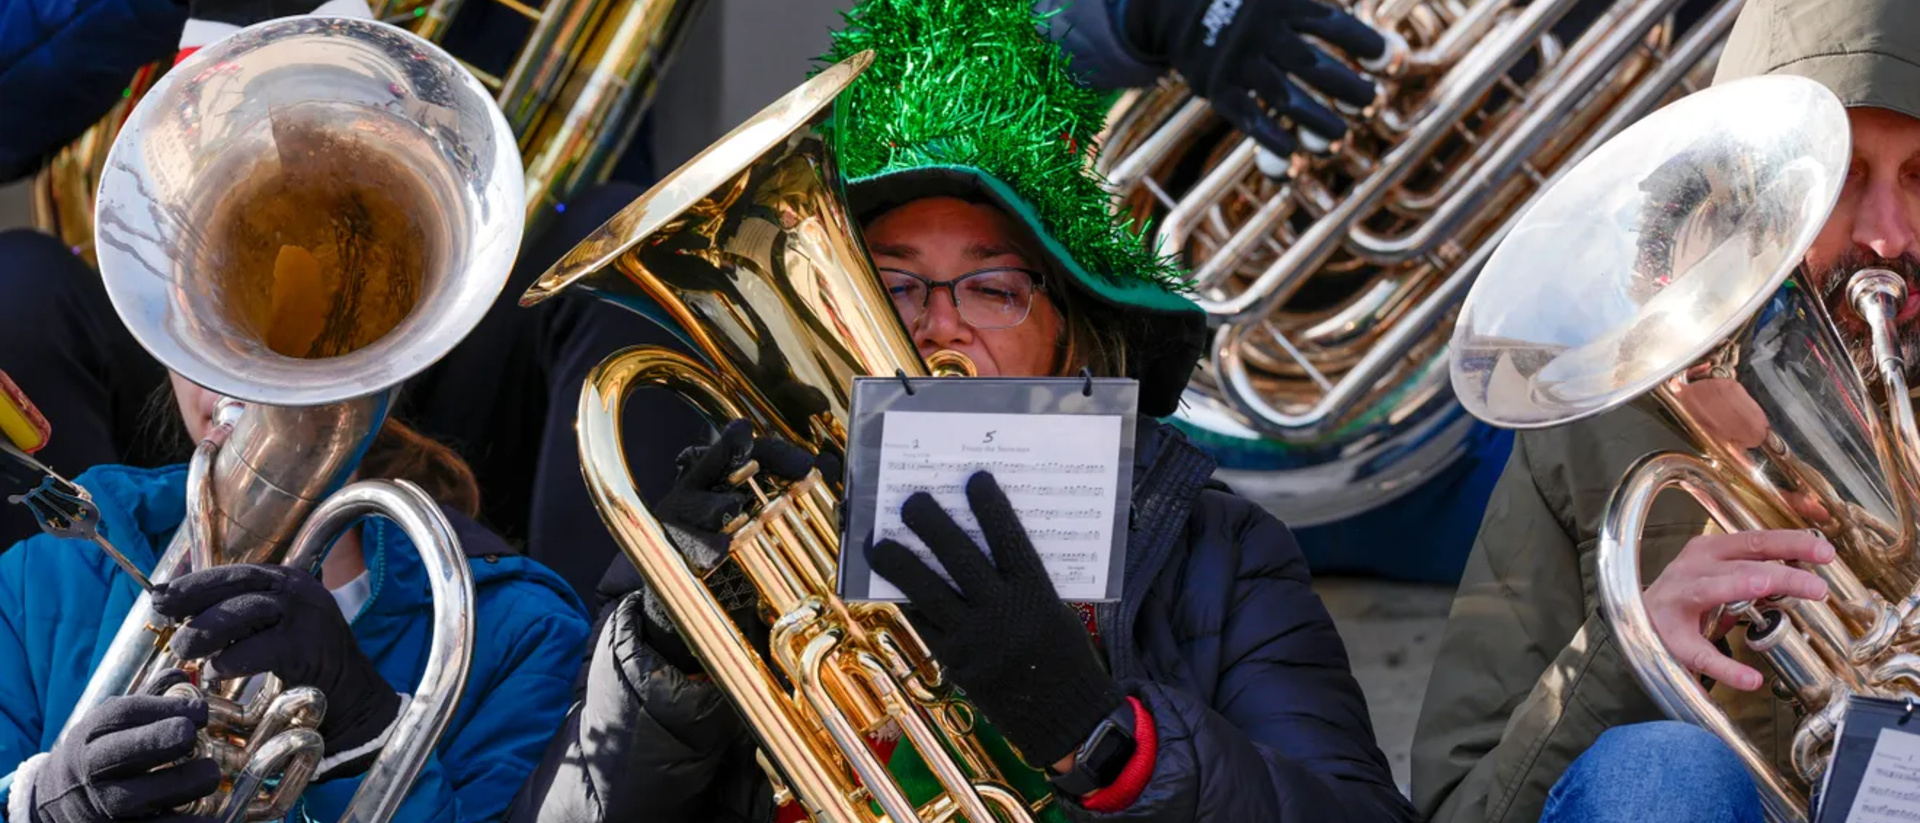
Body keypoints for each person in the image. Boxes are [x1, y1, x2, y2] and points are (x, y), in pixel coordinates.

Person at [505, 2, 1416, 822]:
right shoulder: (755, 544)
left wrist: (1104, 739)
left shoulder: (1223, 555)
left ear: (1073, 331)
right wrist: (668, 661)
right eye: (892, 283)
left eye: (991, 286)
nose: (940, 322)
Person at [0, 0, 712, 603]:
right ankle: (100, 668)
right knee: (14, 291)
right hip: (178, 357)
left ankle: (601, 704)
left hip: (444, 317)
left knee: (620, 256)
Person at [1409, 0, 1920, 821]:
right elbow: (1459, 807)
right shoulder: (1598, 427)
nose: (1890, 237)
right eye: (1845, 174)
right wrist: (1632, 649)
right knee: (1661, 772)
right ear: (1752, 186)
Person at [0, 369, 592, 823]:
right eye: (204, 332)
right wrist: (38, 807)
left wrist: (370, 739)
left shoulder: (519, 633)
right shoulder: (40, 579)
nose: (232, 373)